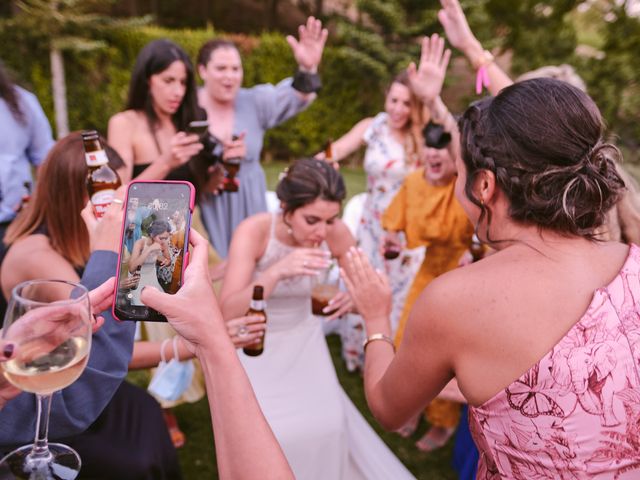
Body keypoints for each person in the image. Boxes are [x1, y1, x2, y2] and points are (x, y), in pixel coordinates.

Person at [342, 63, 640, 478]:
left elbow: (388, 408)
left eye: (458, 174)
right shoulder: (634, 262)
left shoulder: (454, 300)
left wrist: (375, 318)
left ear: (483, 186)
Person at [220, 158, 415, 479]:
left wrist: (352, 299)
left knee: (329, 424)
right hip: (255, 341)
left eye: (330, 220)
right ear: (285, 207)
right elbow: (228, 309)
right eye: (312, 220)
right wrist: (277, 272)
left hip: (304, 338)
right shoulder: (254, 231)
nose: (322, 232)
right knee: (273, 433)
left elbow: (366, 293)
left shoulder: (336, 234)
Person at [316, 71, 427, 372]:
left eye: (407, 103)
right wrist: (320, 165)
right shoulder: (372, 126)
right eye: (394, 100)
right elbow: (333, 151)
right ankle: (359, 352)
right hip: (370, 226)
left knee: (399, 292)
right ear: (386, 97)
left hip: (406, 232)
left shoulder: (424, 136)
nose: (398, 109)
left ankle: (392, 356)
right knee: (363, 284)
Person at [196, 16, 328, 259]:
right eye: (221, 68)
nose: (230, 76)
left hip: (249, 201)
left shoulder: (255, 102)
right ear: (202, 70)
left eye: (236, 69)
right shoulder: (188, 108)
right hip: (207, 206)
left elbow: (298, 95)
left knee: (251, 266)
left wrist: (307, 68)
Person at [382, 132, 474, 450]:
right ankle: (410, 406)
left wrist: (474, 254)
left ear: (456, 159)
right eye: (429, 149)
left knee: (447, 355)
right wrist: (392, 238)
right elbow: (394, 223)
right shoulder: (413, 183)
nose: (433, 156)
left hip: (461, 278)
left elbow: (486, 240)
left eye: (442, 151)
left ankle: (442, 422)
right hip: (424, 274)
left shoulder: (466, 189)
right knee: (406, 341)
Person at [0, 60, 55, 318]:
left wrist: (36, 201)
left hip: (16, 226)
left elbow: (47, 160)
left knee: (16, 315)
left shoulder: (21, 102)